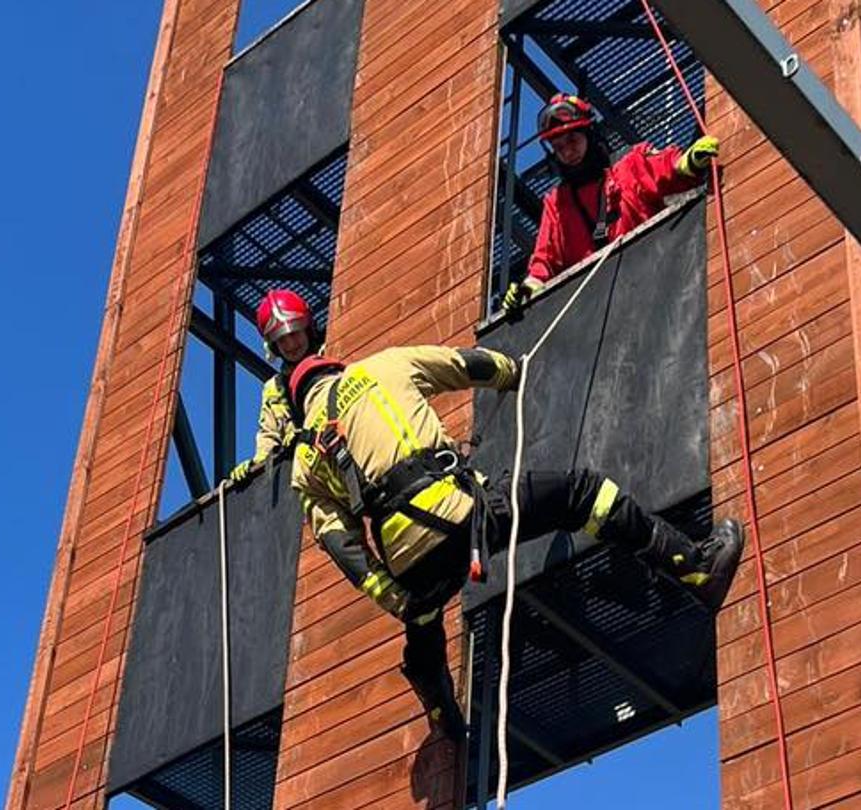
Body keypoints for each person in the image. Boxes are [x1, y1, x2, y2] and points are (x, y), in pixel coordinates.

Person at [285, 345, 744, 740]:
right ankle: (695, 566)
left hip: (406, 559)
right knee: (583, 495)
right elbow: (467, 365)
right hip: (459, 512)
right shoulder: (380, 367)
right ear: (334, 368)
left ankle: (442, 713)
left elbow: (341, 544)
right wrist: (511, 370)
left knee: (423, 619)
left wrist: (393, 596)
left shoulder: (306, 459)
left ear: (300, 403)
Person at [501, 94, 721, 311]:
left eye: (572, 141)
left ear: (589, 134)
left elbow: (666, 168)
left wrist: (688, 163)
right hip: (598, 312)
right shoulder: (557, 204)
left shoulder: (629, 166)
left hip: (658, 282)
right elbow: (544, 262)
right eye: (559, 147)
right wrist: (527, 290)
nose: (568, 152)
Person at [225, 289, 321, 485]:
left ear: (308, 330)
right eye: (282, 340)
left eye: (294, 334)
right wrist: (255, 466)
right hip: (303, 474)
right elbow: (268, 436)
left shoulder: (330, 358)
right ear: (273, 347)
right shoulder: (274, 388)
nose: (291, 344)